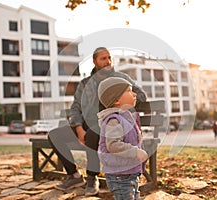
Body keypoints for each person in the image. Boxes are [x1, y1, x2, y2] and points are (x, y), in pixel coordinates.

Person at [48, 47, 146, 196]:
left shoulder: (121, 78)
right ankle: (74, 176)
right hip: (85, 126)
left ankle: (92, 177)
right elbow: (75, 108)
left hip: (111, 124)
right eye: (103, 58)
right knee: (54, 135)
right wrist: (79, 128)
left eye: (109, 58)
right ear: (95, 61)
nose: (108, 61)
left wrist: (123, 106)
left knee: (92, 135)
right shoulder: (84, 84)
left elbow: (141, 96)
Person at [97, 77, 148, 200]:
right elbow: (113, 144)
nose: (134, 94)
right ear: (116, 99)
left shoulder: (126, 117)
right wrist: (135, 152)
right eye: (129, 91)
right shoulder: (114, 120)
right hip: (120, 176)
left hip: (128, 173)